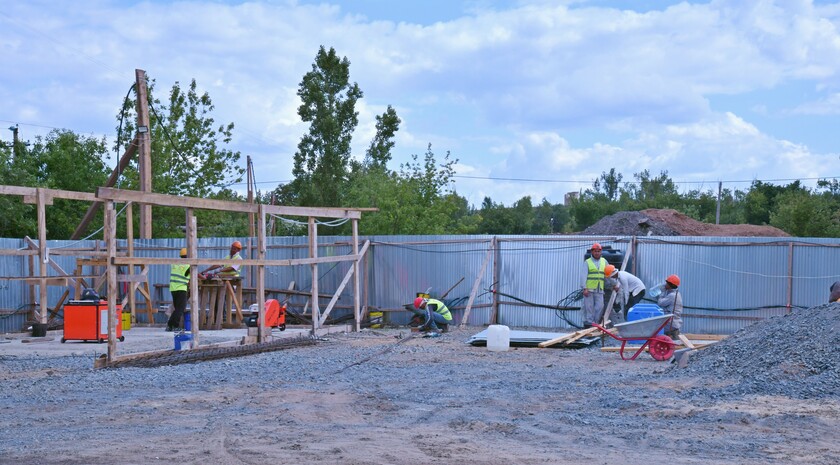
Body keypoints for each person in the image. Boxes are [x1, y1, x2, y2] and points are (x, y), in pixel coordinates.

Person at [581, 242, 607, 327]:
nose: (597, 253)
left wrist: (614, 284)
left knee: (600, 306)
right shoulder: (587, 262)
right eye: (595, 251)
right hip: (589, 289)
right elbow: (583, 275)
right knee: (589, 307)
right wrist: (584, 288)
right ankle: (589, 324)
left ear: (601, 252)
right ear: (592, 252)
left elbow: (609, 274)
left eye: (598, 251)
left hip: (600, 288)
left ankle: (595, 324)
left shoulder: (604, 261)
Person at [167, 248, 190, 332]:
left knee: (177, 308)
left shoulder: (175, 264)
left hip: (173, 288)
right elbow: (193, 274)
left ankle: (170, 326)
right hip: (181, 288)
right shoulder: (188, 265)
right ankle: (175, 326)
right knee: (180, 309)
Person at [657, 274, 683, 339]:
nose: (665, 284)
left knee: (655, 328)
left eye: (667, 283)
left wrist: (661, 293)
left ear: (670, 285)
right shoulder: (676, 294)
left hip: (671, 324)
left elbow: (660, 303)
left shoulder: (672, 296)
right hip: (675, 322)